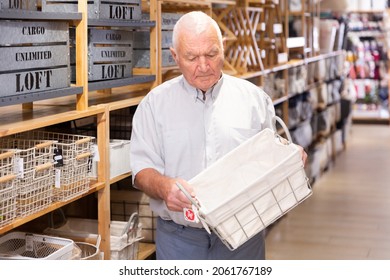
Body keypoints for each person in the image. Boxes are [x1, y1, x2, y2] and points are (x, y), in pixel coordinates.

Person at [130, 11, 307, 260]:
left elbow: (269, 158)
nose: (203, 66)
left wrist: (288, 157)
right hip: (180, 240)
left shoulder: (254, 99)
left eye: (212, 54)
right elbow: (141, 171)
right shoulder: (154, 105)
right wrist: (165, 187)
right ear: (175, 57)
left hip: (244, 235)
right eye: (191, 57)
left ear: (223, 48)